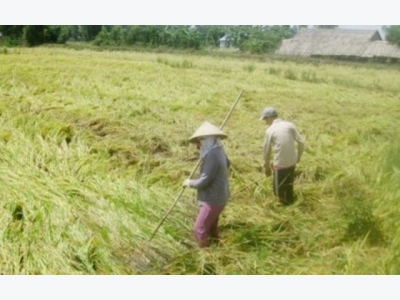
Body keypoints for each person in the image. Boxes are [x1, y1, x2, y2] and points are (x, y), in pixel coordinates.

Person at [182, 121, 230, 248]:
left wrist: (189, 183)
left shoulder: (212, 154)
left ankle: (206, 256)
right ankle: (218, 245)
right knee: (212, 225)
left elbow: (204, 181)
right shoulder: (219, 149)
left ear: (207, 140)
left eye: (199, 142)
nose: (198, 146)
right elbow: (228, 163)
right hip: (221, 195)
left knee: (199, 229)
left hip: (212, 199)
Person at [260, 107, 305, 206]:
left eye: (265, 119)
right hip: (292, 162)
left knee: (278, 191)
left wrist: (266, 167)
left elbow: (266, 151)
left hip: (280, 164)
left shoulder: (270, 130)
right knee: (289, 186)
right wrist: (298, 157)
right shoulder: (289, 125)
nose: (265, 122)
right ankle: (290, 203)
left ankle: (282, 207)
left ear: (269, 118)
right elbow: (301, 142)